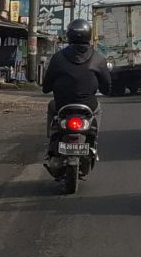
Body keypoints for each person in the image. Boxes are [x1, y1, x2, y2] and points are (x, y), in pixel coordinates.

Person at [41, 19, 111, 158]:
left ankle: (52, 138)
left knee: (51, 105)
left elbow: (46, 87)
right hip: (88, 106)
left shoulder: (58, 57)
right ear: (89, 35)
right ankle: (93, 139)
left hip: (62, 105)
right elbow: (107, 87)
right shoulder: (98, 58)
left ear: (69, 35)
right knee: (98, 109)